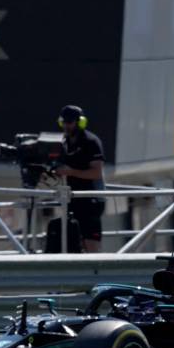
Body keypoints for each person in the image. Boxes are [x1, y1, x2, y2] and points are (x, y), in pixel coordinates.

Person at [55, 105, 106, 253]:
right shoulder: (63, 142)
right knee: (73, 241)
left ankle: (96, 267)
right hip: (72, 198)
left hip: (91, 198)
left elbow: (96, 173)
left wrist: (70, 172)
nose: (66, 126)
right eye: (63, 122)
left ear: (80, 122)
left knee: (90, 243)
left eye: (69, 122)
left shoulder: (91, 141)